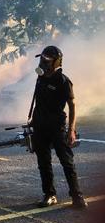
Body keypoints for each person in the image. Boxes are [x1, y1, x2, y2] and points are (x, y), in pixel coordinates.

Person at [29, 45, 87, 208]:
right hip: (40, 127)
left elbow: (72, 105)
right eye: (42, 59)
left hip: (57, 127)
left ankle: (77, 196)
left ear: (56, 62)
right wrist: (32, 122)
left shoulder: (63, 81)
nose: (42, 63)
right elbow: (38, 103)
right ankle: (50, 195)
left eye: (46, 60)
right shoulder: (40, 78)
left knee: (67, 162)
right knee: (43, 162)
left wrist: (71, 130)